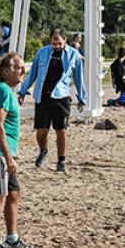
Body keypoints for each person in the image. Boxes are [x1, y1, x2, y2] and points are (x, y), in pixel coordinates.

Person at [0, 51, 36, 248]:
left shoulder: (4, 89)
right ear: (5, 71)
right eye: (18, 67)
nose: (23, 71)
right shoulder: (3, 91)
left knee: (14, 193)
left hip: (2, 152)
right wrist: (9, 157)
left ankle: (12, 238)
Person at [18, 28, 86, 173]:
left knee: (61, 130)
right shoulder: (42, 53)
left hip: (61, 97)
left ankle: (61, 161)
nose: (56, 46)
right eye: (54, 44)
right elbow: (32, 74)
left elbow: (78, 78)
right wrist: (23, 91)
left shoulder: (74, 55)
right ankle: (43, 150)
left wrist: (82, 97)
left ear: (65, 40)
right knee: (42, 130)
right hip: (43, 96)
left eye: (59, 44)